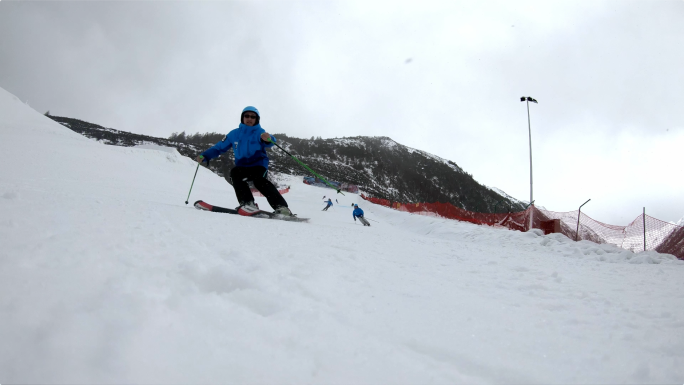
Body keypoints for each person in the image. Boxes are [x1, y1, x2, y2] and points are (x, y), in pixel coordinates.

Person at [196, 106, 292, 216]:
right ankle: (248, 204)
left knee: (259, 181)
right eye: (247, 116)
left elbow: (269, 141)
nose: (249, 118)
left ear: (257, 119)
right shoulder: (234, 134)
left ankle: (282, 207)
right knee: (235, 173)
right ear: (242, 118)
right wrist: (205, 155)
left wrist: (269, 138)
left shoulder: (259, 132)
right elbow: (219, 148)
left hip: (258, 164)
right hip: (242, 165)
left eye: (253, 117)